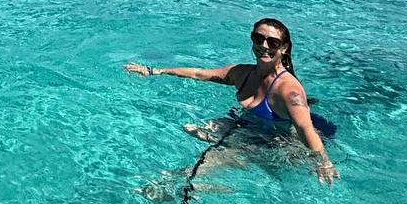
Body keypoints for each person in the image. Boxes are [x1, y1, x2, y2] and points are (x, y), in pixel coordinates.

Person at [123, 18, 339, 184]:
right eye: (258, 38)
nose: (264, 45)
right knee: (191, 129)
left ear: (284, 48)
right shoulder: (242, 73)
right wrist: (154, 71)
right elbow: (200, 73)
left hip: (277, 144)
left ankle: (176, 187)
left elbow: (305, 129)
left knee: (208, 163)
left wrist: (324, 163)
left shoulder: (289, 91)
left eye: (272, 42)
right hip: (250, 128)